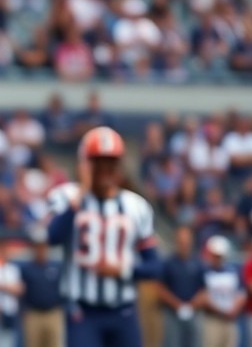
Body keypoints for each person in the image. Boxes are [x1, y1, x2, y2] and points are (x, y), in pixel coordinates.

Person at [47, 126, 161, 347]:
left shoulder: (136, 206)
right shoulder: (66, 196)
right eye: (98, 162)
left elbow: (154, 266)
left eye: (111, 162)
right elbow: (53, 237)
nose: (105, 169)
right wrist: (81, 194)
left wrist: (123, 270)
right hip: (82, 311)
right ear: (85, 164)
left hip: (123, 311)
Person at [157, 226, 206, 347]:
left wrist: (191, 306)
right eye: (181, 241)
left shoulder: (198, 263)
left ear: (191, 241)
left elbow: (204, 289)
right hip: (172, 312)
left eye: (186, 241)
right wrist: (178, 306)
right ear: (176, 242)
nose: (184, 245)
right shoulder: (168, 263)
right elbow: (160, 288)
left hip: (194, 311)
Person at [200, 235, 246, 347]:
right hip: (212, 319)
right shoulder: (204, 272)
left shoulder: (233, 271)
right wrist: (221, 311)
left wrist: (233, 310)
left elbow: (241, 293)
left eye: (220, 256)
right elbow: (203, 296)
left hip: (230, 319)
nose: (218, 258)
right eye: (215, 255)